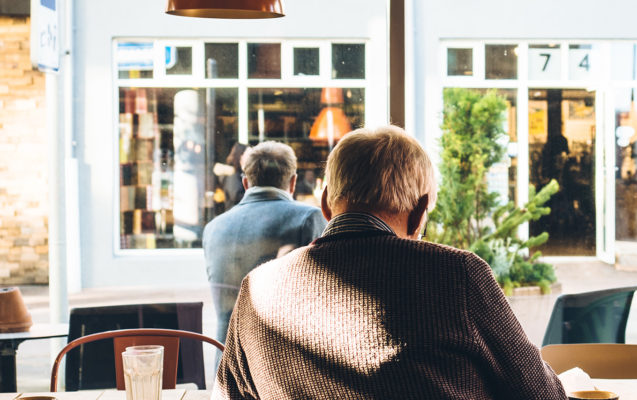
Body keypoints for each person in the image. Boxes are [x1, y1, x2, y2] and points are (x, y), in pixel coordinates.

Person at [214, 126, 567, 399]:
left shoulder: (256, 290)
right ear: (417, 215)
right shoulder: (458, 276)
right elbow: (541, 394)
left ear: (325, 204)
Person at [203, 141, 327, 344]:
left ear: (245, 183)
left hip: (225, 362)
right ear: (293, 182)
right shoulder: (308, 219)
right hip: (280, 362)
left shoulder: (213, 228)